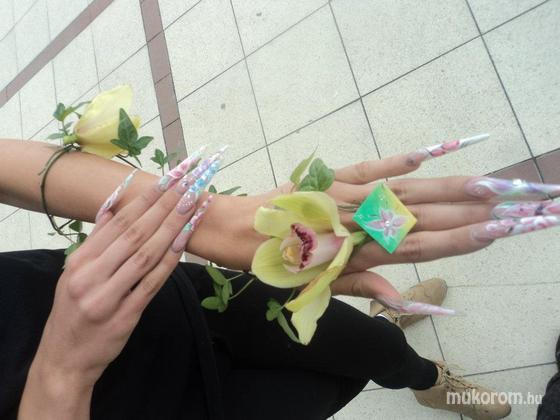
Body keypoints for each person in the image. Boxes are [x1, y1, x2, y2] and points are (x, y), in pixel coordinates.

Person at [2, 138, 546, 419]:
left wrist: (210, 219)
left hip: (164, 303)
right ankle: (392, 328)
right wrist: (61, 375)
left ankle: (426, 380)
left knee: (370, 345)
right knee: (328, 385)